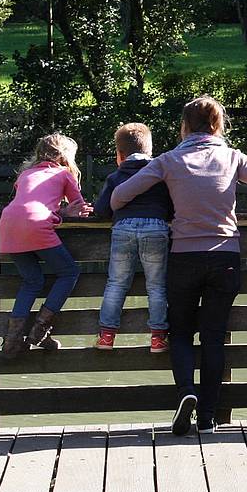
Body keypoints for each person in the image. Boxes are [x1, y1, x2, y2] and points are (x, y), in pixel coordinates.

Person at [109, 96, 247, 436]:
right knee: (213, 338)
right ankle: (208, 417)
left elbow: (118, 196)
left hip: (183, 258)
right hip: (225, 257)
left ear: (184, 126)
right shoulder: (233, 157)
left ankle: (186, 393)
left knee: (180, 333)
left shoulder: (168, 160)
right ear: (218, 125)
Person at [0, 134, 92, 359]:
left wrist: (58, 213)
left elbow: (28, 203)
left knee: (32, 281)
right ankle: (39, 331)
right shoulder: (63, 174)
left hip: (8, 225)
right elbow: (80, 207)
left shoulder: (24, 175)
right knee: (69, 273)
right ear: (65, 157)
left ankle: (12, 342)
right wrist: (66, 214)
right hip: (37, 225)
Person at [92, 123, 174, 353]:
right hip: (156, 228)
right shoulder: (160, 175)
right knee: (156, 286)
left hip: (123, 228)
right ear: (150, 151)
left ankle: (107, 336)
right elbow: (172, 208)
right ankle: (158, 338)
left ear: (119, 155)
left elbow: (102, 209)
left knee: (116, 284)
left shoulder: (116, 176)